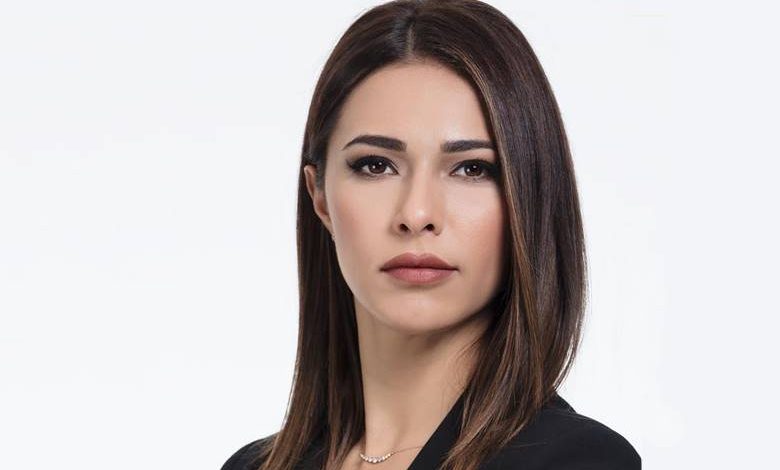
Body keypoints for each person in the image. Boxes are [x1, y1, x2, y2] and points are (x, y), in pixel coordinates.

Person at [221, 0, 641, 469]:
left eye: (472, 169)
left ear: (528, 198)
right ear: (319, 197)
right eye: (375, 165)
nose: (417, 214)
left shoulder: (576, 460)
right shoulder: (253, 466)